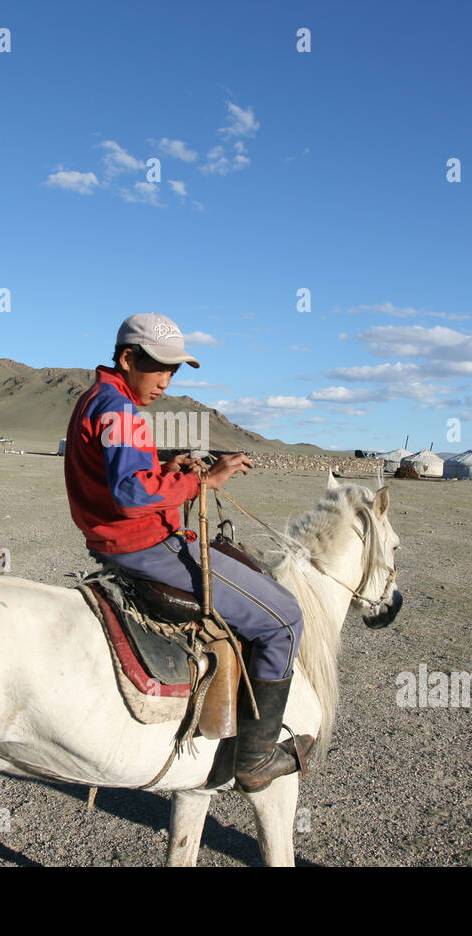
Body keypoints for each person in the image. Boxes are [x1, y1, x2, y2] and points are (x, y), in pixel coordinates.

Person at [64, 313, 314, 791]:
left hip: (118, 542)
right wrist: (202, 478)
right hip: (143, 545)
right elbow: (131, 494)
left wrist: (165, 463)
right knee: (284, 620)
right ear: (126, 358)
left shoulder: (97, 399)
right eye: (158, 367)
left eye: (174, 371)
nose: (166, 380)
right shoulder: (120, 410)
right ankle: (256, 760)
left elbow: (123, 471)